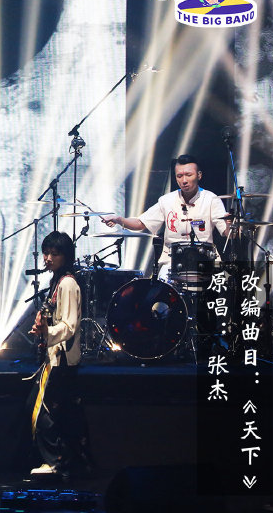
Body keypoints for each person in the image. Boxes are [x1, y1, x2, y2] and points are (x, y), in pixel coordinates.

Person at [101, 154, 228, 279]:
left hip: (205, 260)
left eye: (189, 175)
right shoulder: (166, 200)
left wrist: (231, 226)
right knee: (164, 285)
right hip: (171, 262)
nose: (184, 180)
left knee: (221, 284)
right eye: (179, 176)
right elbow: (140, 223)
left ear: (199, 175)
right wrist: (118, 219)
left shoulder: (211, 199)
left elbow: (227, 232)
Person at [27, 230, 90, 477]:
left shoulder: (68, 284)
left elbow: (70, 325)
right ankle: (65, 462)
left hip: (62, 360)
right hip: (55, 358)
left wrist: (47, 332)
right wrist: (42, 326)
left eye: (55, 253)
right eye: (46, 253)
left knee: (43, 411)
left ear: (66, 256)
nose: (48, 258)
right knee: (60, 413)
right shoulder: (57, 281)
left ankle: (55, 461)